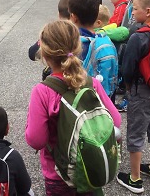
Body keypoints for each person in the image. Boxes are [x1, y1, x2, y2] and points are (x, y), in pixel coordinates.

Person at [25, 20, 121, 196]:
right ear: (77, 48)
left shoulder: (42, 91)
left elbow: (36, 140)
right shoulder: (91, 83)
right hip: (89, 169)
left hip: (59, 175)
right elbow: (116, 120)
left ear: (45, 54)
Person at [117, 0, 150, 194]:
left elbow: (128, 68)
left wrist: (127, 86)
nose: (132, 13)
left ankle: (135, 178)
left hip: (141, 90)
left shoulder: (138, 37)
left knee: (136, 132)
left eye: (134, 9)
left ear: (147, 11)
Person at [69, 0, 118, 97]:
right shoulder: (106, 41)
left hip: (78, 102)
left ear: (73, 17)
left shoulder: (71, 43)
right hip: (104, 102)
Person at [28, 0, 71, 79]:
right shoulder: (79, 33)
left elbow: (32, 53)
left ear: (59, 14)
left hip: (55, 79)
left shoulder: (53, 32)